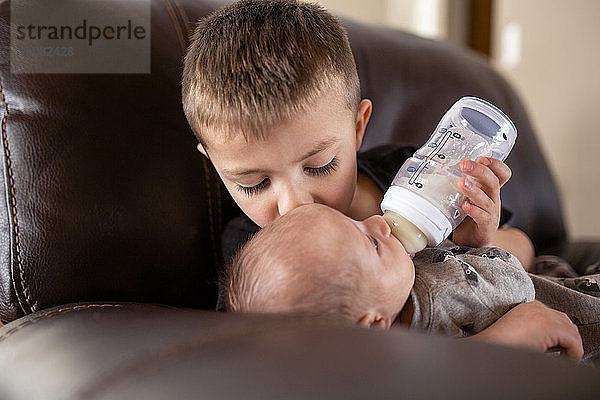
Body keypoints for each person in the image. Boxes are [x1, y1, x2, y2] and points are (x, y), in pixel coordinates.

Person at [181, 0, 574, 357]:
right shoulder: (254, 262)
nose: (295, 205)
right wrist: (498, 346)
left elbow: (525, 249)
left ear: (357, 128)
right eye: (254, 184)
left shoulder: (412, 174)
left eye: (319, 165)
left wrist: (476, 241)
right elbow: (309, 366)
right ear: (215, 166)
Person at [224, 203, 597, 364]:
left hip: (555, 275)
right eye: (371, 243)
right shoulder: (421, 331)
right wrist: (500, 344)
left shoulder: (392, 280)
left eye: (353, 221)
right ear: (371, 327)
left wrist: (471, 240)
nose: (377, 222)